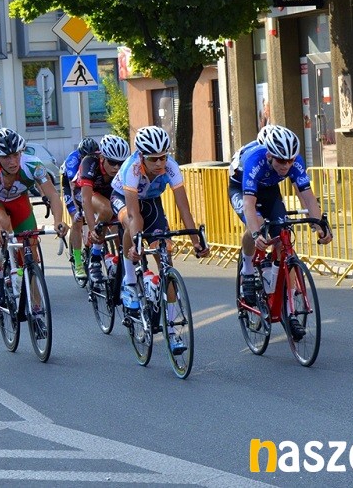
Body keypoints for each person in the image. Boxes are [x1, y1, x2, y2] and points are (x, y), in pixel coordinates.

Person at [228, 124, 332, 339]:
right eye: (281, 161)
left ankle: (288, 307)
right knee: (257, 223)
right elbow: (248, 204)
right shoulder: (255, 160)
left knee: (282, 237)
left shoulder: (294, 162)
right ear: (270, 155)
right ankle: (248, 270)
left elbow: (308, 196)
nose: (286, 165)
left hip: (269, 189)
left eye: (290, 160)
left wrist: (319, 225)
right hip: (241, 188)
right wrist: (256, 233)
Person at [111, 126, 208, 355]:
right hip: (124, 199)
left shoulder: (171, 167)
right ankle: (130, 280)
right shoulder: (132, 169)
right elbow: (134, 214)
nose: (160, 163)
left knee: (165, 255)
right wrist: (137, 244)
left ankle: (172, 330)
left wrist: (196, 241)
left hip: (152, 203)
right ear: (142, 156)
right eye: (153, 159)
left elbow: (184, 209)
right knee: (131, 223)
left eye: (163, 157)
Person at [0, 128, 68, 309]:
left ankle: (37, 309)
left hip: (20, 202)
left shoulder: (34, 165)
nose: (12, 161)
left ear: (21, 152)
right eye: (6, 157)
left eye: (16, 155)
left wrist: (58, 220)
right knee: (1, 225)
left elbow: (52, 194)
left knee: (31, 255)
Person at [77, 134, 131, 283]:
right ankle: (94, 258)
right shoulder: (90, 162)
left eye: (120, 163)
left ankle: (123, 269)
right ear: (102, 158)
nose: (117, 167)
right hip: (88, 192)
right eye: (112, 162)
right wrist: (93, 229)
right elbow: (86, 199)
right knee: (106, 210)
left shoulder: (125, 167)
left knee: (122, 231)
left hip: (110, 194)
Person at [61, 137, 99, 279]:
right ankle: (78, 262)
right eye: (85, 157)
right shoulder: (73, 161)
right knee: (77, 221)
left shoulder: (98, 157)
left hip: (87, 183)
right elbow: (73, 188)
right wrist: (78, 211)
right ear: (80, 155)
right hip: (71, 186)